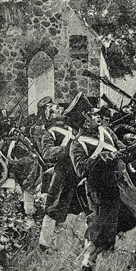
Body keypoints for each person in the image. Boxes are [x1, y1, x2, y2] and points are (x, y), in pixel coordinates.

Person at [68, 93, 136, 271]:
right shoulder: (77, 144)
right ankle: (87, 268)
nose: (96, 116)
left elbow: (125, 153)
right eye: (91, 114)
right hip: (102, 192)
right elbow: (80, 170)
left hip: (124, 185)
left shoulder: (107, 131)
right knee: (100, 232)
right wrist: (98, 160)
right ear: (84, 120)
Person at [37, 96, 84, 250]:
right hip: (62, 173)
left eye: (58, 106)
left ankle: (61, 244)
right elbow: (47, 153)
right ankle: (45, 244)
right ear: (50, 115)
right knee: (53, 208)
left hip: (76, 172)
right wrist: (67, 149)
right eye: (55, 108)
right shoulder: (51, 132)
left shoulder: (72, 129)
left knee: (73, 208)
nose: (59, 108)